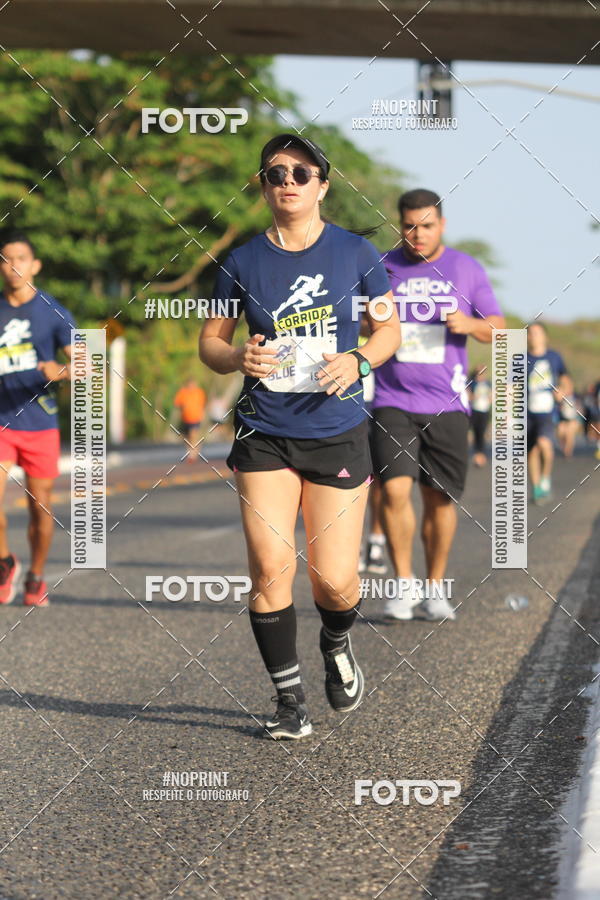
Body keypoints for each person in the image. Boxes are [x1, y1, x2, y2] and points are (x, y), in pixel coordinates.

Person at [199, 133, 400, 739]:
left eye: (301, 172)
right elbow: (210, 343)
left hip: (336, 430)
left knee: (334, 581)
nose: (288, 181)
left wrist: (359, 360)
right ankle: (289, 702)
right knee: (269, 567)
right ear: (262, 185)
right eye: (275, 173)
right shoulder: (240, 261)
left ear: (322, 185)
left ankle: (336, 642)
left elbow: (388, 333)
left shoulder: (356, 253)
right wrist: (236, 358)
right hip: (265, 430)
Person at [370, 189, 504, 621]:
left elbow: (498, 329)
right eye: (409, 226)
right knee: (394, 490)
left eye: (426, 226)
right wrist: (372, 321)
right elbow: (357, 320)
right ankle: (404, 583)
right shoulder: (382, 266)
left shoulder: (466, 268)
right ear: (399, 225)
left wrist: (470, 324)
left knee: (440, 499)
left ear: (442, 225)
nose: (417, 234)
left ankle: (434, 588)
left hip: (447, 404)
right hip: (391, 399)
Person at [0, 231, 75, 606]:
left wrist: (60, 371)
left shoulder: (53, 311)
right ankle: (4, 563)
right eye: (5, 259)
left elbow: (88, 364)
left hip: (39, 422)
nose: (13, 266)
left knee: (39, 507)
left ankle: (36, 575)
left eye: (21, 258)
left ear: (35, 265)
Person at [527, 323, 568, 504]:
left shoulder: (554, 357)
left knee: (544, 443)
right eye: (530, 333)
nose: (533, 336)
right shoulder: (521, 359)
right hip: (527, 412)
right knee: (532, 450)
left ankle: (545, 478)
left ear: (545, 336)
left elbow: (565, 378)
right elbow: (510, 385)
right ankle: (537, 488)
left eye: (537, 333)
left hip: (547, 410)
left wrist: (563, 390)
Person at [173, 377, 207, 462]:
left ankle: (193, 454)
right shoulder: (183, 392)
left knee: (193, 435)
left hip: (196, 417)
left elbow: (203, 405)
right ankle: (192, 451)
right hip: (185, 418)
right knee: (187, 437)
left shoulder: (199, 392)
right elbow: (177, 403)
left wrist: (203, 415)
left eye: (194, 384)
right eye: (190, 384)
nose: (192, 386)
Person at [468, 364, 492, 467]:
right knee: (475, 432)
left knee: (481, 433)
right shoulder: (472, 383)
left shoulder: (488, 383)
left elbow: (491, 396)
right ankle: (476, 453)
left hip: (484, 411)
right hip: (474, 411)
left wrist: (489, 399)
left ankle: (481, 455)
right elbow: (468, 396)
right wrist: (474, 396)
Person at [556, 373, 581, 459]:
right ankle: (563, 446)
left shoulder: (575, 395)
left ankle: (567, 452)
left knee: (569, 434)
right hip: (562, 418)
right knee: (561, 432)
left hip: (573, 418)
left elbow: (579, 406)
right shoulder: (560, 395)